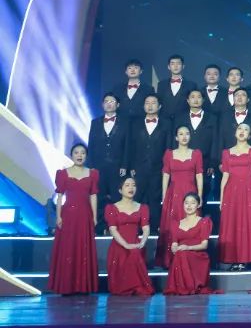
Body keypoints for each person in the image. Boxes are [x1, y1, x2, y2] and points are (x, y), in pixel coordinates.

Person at [47, 143, 99, 295]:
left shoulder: (92, 174)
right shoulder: (63, 174)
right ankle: (67, 286)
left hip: (85, 215)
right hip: (68, 214)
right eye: (76, 152)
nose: (79, 155)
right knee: (68, 248)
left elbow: (93, 196)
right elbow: (59, 196)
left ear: (86, 156)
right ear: (72, 155)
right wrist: (58, 216)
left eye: (82, 153)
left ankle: (83, 286)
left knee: (83, 247)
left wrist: (95, 216)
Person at [218, 122, 251, 271]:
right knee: (233, 223)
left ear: (249, 135)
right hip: (231, 191)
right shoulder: (226, 152)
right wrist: (221, 198)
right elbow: (225, 176)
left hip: (248, 190)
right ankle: (233, 259)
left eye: (246, 129)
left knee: (246, 223)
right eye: (239, 128)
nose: (242, 131)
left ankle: (244, 259)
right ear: (235, 133)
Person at [156, 124, 204, 268]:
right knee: (173, 223)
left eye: (187, 133)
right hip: (174, 194)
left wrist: (199, 195)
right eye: (181, 134)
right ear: (176, 137)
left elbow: (199, 175)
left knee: (190, 223)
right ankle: (170, 259)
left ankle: (189, 258)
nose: (184, 136)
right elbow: (166, 175)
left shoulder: (196, 154)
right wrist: (164, 196)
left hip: (190, 193)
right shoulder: (169, 154)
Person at [104, 177, 153, 296]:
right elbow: (113, 229)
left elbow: (146, 228)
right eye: (127, 185)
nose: (131, 188)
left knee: (135, 252)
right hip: (119, 244)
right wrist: (125, 245)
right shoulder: (111, 208)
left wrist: (142, 242)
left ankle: (136, 286)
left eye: (133, 185)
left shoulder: (142, 207)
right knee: (126, 252)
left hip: (135, 243)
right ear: (120, 190)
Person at [128, 94, 170, 231]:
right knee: (136, 197)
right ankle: (135, 227)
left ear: (159, 106)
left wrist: (166, 166)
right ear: (143, 106)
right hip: (138, 168)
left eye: (153, 103)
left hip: (158, 168)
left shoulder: (166, 123)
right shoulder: (135, 124)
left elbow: (168, 147)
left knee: (155, 199)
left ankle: (153, 228)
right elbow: (130, 146)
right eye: (147, 102)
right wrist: (131, 166)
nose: (150, 106)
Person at [87, 93, 128, 230]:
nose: (109, 103)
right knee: (99, 196)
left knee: (117, 196)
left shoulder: (125, 123)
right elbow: (91, 144)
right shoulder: (95, 122)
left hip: (117, 166)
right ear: (102, 104)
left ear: (118, 105)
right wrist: (91, 166)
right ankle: (99, 227)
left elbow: (127, 145)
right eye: (106, 101)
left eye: (112, 101)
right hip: (98, 166)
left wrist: (124, 165)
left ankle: (117, 226)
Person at [164, 192, 216, 295]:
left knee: (182, 254)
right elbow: (174, 243)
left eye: (193, 203)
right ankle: (181, 286)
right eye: (186, 203)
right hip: (181, 253)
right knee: (180, 254)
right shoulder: (176, 224)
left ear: (198, 205)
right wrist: (175, 248)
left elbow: (204, 245)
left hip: (197, 255)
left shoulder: (204, 222)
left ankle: (189, 286)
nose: (189, 206)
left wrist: (187, 247)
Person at [157, 54, 197, 125]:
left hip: (184, 122)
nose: (175, 66)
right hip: (164, 123)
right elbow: (159, 103)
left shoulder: (191, 85)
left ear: (183, 66)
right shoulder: (161, 84)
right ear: (168, 67)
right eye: (172, 64)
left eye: (178, 63)